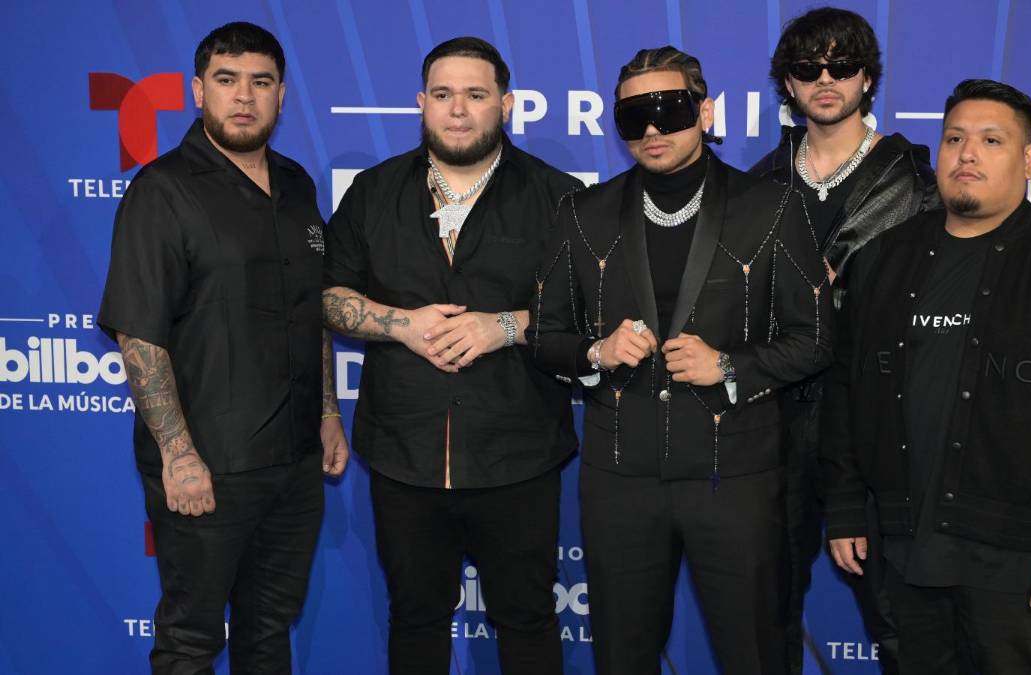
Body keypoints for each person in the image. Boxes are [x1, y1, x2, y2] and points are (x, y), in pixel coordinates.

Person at [820, 79, 1031, 673]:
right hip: (902, 547)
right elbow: (847, 392)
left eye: (991, 140)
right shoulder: (880, 259)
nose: (967, 153)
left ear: (1029, 160)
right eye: (954, 139)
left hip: (1018, 558)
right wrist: (843, 504)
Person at [529, 46, 832, 675]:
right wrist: (595, 351)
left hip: (735, 475)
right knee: (622, 657)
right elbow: (544, 333)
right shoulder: (582, 214)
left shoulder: (772, 208)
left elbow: (817, 337)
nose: (651, 128)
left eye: (668, 109)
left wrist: (730, 366)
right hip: (620, 478)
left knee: (754, 655)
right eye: (632, 116)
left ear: (705, 111)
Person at [321, 36, 581, 675]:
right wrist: (401, 324)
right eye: (442, 94)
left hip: (518, 454)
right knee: (415, 620)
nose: (457, 109)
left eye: (475, 94)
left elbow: (593, 311)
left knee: (527, 620)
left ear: (506, 105)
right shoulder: (373, 192)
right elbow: (328, 296)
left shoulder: (561, 197)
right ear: (421, 103)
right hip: (404, 455)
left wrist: (506, 326)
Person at [99, 21, 348, 673]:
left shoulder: (296, 185)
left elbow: (312, 308)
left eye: (260, 82)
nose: (244, 96)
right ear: (197, 90)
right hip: (209, 463)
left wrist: (326, 411)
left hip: (294, 461)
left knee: (268, 631)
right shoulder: (163, 190)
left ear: (281, 96)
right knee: (191, 640)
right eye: (227, 80)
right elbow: (139, 334)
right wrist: (178, 454)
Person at [749, 8, 939, 671]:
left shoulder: (913, 183)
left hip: (878, 420)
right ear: (788, 83)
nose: (825, 79)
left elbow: (938, 308)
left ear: (867, 77)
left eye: (842, 65)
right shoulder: (759, 184)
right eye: (808, 68)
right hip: (776, 419)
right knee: (766, 612)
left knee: (899, 616)